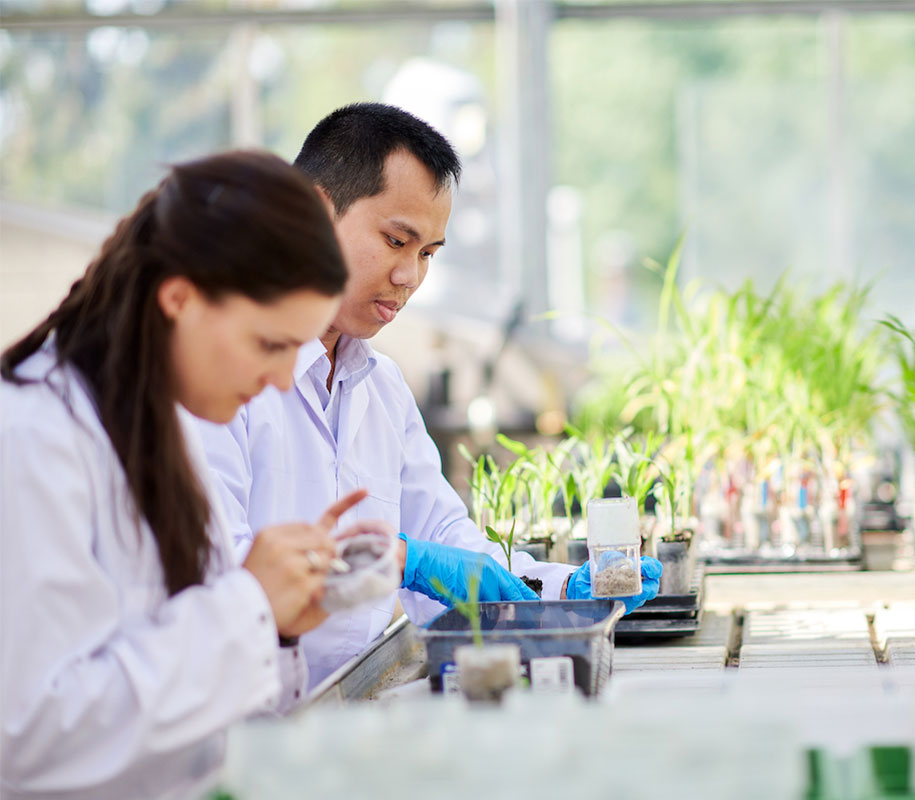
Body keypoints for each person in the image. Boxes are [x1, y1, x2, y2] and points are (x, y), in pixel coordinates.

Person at [197, 102, 662, 687]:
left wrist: (562, 586)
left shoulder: (381, 386)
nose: (410, 277)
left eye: (427, 254)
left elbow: (448, 546)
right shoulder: (218, 379)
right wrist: (395, 558)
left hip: (358, 697)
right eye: (396, 240)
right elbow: (222, 573)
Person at [0, 151, 366, 800]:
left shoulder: (158, 423)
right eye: (270, 344)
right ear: (179, 299)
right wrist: (249, 607)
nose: (285, 380)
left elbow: (181, 696)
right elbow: (28, 734)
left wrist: (277, 625)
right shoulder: (32, 438)